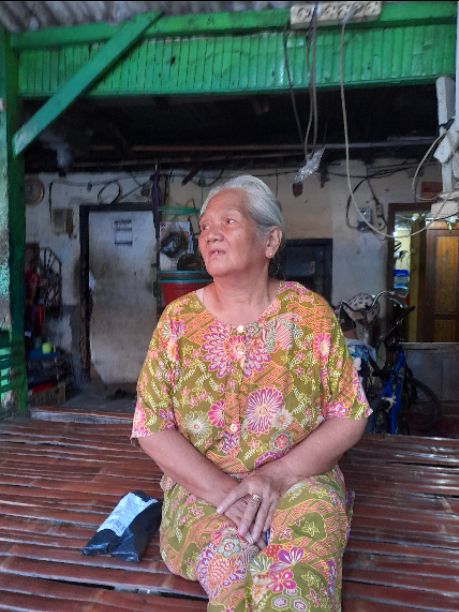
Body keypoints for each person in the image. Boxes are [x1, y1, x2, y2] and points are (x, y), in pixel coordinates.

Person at [132, 175, 370, 611]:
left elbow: (350, 413)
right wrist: (226, 493)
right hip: (205, 492)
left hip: (301, 482)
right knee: (232, 572)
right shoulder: (178, 322)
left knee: (297, 581)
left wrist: (278, 475)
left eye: (228, 221)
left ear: (270, 241)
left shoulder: (309, 315)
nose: (210, 234)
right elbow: (151, 426)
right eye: (204, 227)